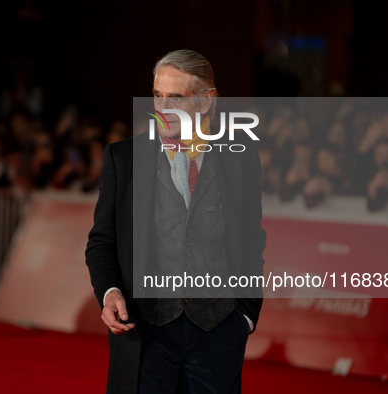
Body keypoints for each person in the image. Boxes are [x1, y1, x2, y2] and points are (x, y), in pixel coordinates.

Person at [85, 49, 266, 394]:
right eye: (157, 95)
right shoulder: (124, 159)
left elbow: (251, 239)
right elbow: (102, 242)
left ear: (206, 101)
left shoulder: (239, 159)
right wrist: (109, 292)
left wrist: (245, 314)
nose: (162, 108)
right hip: (145, 331)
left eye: (176, 98)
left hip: (218, 331)